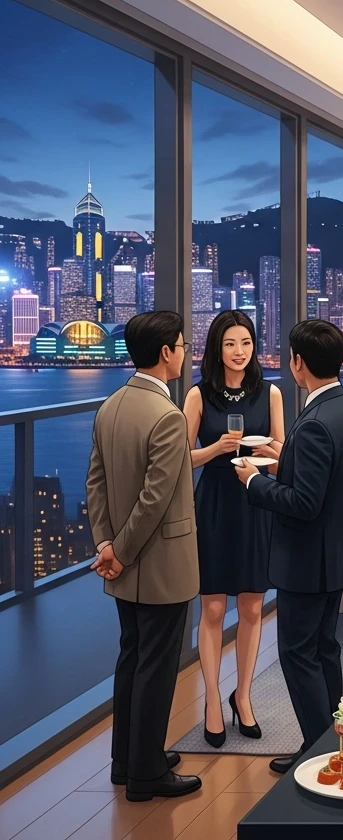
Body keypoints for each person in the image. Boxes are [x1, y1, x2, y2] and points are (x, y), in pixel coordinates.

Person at [234, 320, 343, 775]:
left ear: (298, 363)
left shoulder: (313, 423)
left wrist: (254, 480)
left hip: (304, 563)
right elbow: (326, 485)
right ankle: (335, 744)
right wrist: (284, 459)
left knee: (298, 655)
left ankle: (320, 757)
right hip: (333, 557)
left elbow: (304, 504)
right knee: (325, 651)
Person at [86, 311, 201, 802]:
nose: (185, 352)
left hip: (122, 560)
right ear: (165, 354)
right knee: (157, 666)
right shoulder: (167, 416)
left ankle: (126, 761)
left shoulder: (110, 406)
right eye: (181, 344)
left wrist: (106, 546)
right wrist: (124, 551)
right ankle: (148, 774)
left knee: (132, 657)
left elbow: (95, 483)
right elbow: (155, 501)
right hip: (158, 562)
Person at [183, 310, 283, 748]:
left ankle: (242, 696)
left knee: (252, 607)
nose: (239, 352)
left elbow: (282, 453)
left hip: (256, 499)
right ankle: (210, 702)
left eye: (246, 343)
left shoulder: (271, 393)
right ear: (216, 349)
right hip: (216, 502)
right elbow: (182, 457)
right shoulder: (198, 395)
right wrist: (215, 449)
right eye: (230, 344)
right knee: (210, 609)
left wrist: (267, 448)